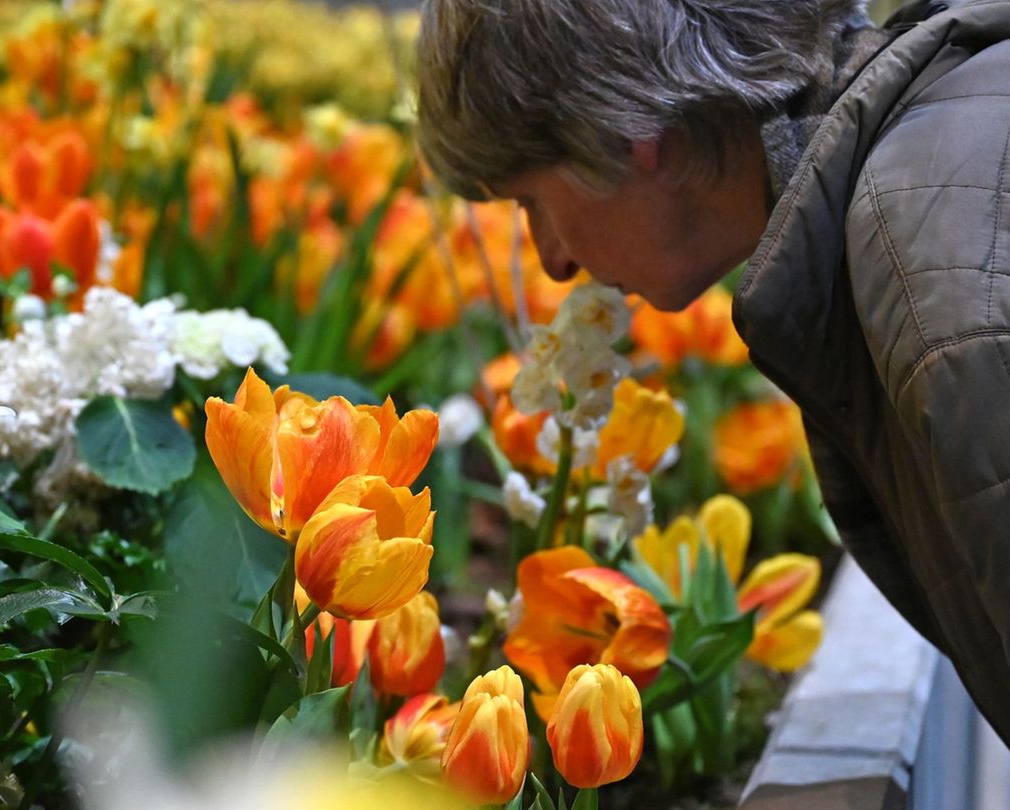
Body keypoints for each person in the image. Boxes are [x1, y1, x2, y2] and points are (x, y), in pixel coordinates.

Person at [415, 0, 1010, 743]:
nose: (552, 260)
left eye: (534, 200)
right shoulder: (944, 157)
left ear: (627, 127)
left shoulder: (940, 288)